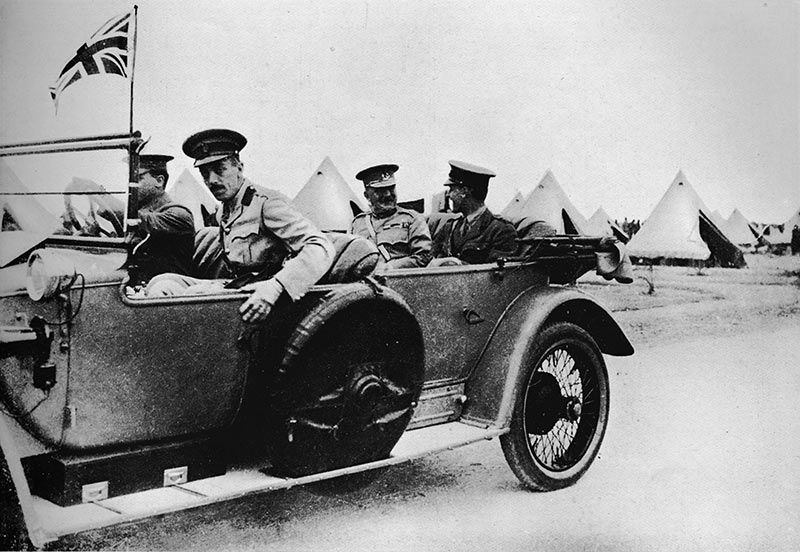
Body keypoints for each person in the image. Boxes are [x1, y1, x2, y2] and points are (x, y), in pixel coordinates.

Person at [146, 129, 334, 323]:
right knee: (163, 283)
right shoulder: (224, 210)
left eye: (220, 169)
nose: (211, 180)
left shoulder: (266, 203)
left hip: (263, 296)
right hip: (238, 287)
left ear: (239, 167)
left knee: (192, 294)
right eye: (204, 173)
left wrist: (276, 287)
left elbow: (320, 245)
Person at [430, 160, 517, 265]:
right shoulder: (449, 227)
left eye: (452, 189)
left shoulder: (501, 230)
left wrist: (454, 263)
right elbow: (430, 259)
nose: (448, 195)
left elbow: (497, 274)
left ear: (464, 191)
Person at [128, 154, 195, 287]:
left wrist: (108, 201)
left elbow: (143, 220)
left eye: (138, 179)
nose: (132, 186)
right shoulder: (141, 210)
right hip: (138, 286)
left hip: (168, 291)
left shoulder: (178, 214)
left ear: (159, 181)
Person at [350, 164, 431, 269]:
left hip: (400, 281)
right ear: (367, 195)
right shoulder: (358, 223)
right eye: (380, 191)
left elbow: (423, 257)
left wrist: (388, 268)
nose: (388, 194)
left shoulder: (413, 219)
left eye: (391, 188)